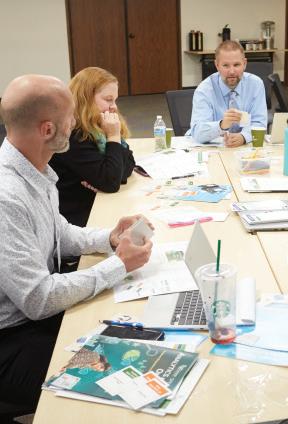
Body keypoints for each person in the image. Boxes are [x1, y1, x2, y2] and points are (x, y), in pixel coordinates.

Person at [0, 74, 153, 417]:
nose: (76, 123)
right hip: (12, 341)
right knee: (117, 372)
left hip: (32, 320)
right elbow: (39, 299)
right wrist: (118, 265)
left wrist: (109, 238)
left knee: (131, 331)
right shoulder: (6, 196)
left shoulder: (33, 169)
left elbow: (59, 231)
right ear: (47, 130)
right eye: (70, 117)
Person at [49, 67, 135, 228]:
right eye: (108, 99)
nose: (114, 107)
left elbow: (129, 162)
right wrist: (113, 137)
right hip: (76, 219)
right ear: (86, 99)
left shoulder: (97, 126)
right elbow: (111, 182)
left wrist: (114, 173)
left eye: (115, 100)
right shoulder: (73, 135)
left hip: (96, 202)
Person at [187, 40, 267, 147]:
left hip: (244, 149)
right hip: (212, 149)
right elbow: (198, 133)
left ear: (244, 64)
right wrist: (221, 125)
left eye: (236, 65)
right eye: (226, 65)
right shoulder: (204, 90)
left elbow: (259, 124)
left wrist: (243, 137)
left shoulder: (256, 84)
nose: (232, 71)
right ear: (217, 65)